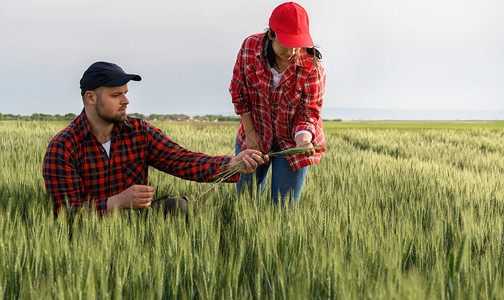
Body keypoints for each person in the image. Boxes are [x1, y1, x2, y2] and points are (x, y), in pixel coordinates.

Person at [43, 61, 268, 217]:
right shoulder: (63, 147)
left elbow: (183, 160)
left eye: (126, 92)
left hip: (139, 221)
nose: (126, 101)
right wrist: (116, 203)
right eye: (116, 95)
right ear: (91, 98)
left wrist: (231, 164)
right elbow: (66, 212)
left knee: (175, 206)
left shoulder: (139, 131)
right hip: (90, 235)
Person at [229, 2, 326, 205]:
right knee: (244, 203)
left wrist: (303, 141)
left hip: (291, 141)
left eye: (297, 43)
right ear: (271, 34)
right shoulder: (250, 48)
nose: (291, 51)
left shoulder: (312, 68)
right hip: (254, 131)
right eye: (287, 43)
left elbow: (308, 112)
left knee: (282, 209)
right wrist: (250, 133)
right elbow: (239, 92)